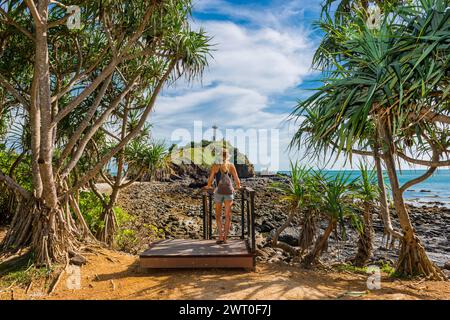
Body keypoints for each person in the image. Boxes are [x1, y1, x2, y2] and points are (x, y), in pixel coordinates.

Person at [204, 149, 241, 244]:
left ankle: (220, 236)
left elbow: (211, 179)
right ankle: (225, 238)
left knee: (218, 215)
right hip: (229, 193)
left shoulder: (215, 165)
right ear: (228, 156)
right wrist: (238, 187)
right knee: (228, 216)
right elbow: (237, 179)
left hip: (218, 192)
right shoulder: (231, 165)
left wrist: (208, 186)